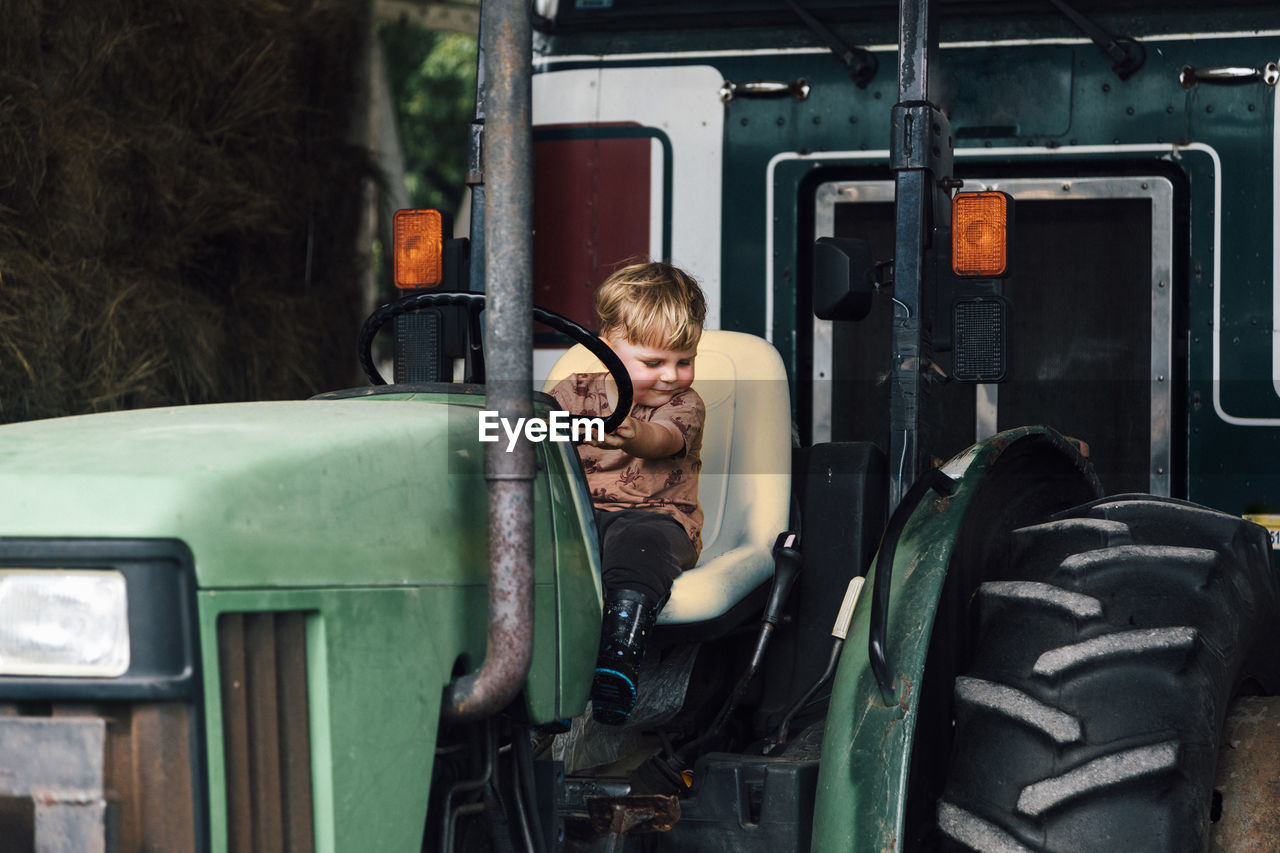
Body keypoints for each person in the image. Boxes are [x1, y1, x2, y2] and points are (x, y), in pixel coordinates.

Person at [548, 261, 706, 726]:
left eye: (685, 359)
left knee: (639, 548)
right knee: (538, 542)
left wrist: (631, 430)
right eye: (653, 363)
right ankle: (548, 682)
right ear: (606, 353)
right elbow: (531, 436)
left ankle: (618, 660)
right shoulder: (571, 392)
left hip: (658, 518)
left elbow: (663, 441)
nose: (672, 375)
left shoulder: (685, 405)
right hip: (583, 517)